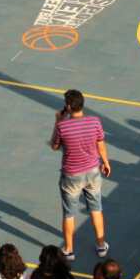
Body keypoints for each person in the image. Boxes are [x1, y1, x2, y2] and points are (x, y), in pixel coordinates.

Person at [50, 89, 110, 261]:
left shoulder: (63, 126)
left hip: (71, 175)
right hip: (92, 171)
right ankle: (101, 245)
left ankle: (69, 249)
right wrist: (105, 162)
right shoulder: (94, 121)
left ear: (68, 106)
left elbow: (54, 146)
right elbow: (101, 145)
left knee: (69, 213)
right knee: (96, 208)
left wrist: (57, 121)